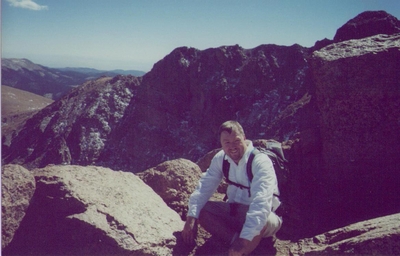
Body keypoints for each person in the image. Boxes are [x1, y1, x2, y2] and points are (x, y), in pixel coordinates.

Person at [182, 120, 282, 256]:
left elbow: (261, 204)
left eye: (236, 141)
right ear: (221, 144)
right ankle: (240, 244)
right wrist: (191, 217)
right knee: (201, 210)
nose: (232, 147)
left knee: (264, 219)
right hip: (234, 212)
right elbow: (204, 187)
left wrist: (244, 240)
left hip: (262, 217)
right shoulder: (221, 159)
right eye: (227, 143)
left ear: (244, 138)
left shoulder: (260, 162)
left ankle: (245, 247)